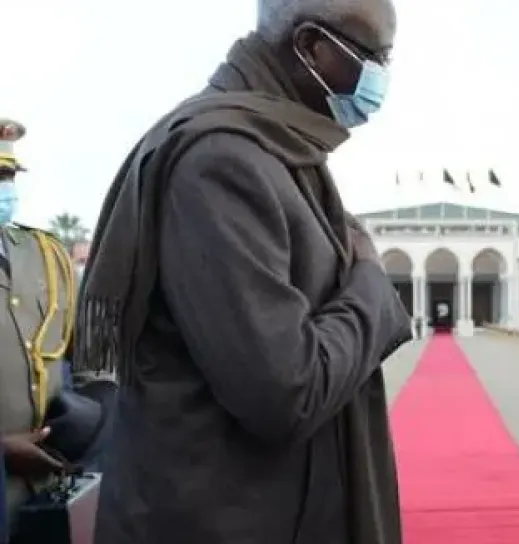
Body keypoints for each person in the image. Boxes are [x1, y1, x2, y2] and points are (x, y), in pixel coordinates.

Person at [73, 1, 413, 543]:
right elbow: (285, 393)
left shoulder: (275, 150)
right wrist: (371, 286)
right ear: (311, 47)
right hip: (223, 520)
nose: (383, 76)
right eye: (376, 56)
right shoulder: (220, 161)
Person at [1, 118, 113, 541]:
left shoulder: (46, 256)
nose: (3, 188)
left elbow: (96, 357)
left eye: (7, 177)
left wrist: (90, 421)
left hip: (53, 493)